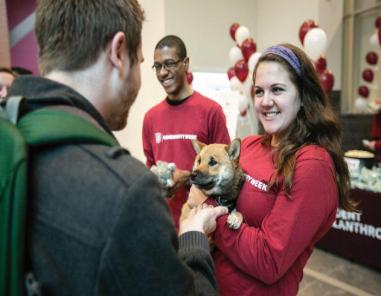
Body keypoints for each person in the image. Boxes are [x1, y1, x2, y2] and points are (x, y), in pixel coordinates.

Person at [7, 1, 228, 295]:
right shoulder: (129, 191)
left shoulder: (10, 139)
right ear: (118, 52)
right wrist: (193, 240)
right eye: (140, 62)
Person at [188, 43, 356, 295]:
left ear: (302, 95)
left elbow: (269, 260)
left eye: (277, 90)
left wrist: (208, 209)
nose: (265, 102)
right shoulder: (250, 145)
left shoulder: (312, 165)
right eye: (258, 91)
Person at [142, 35, 231, 230]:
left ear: (185, 63)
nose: (163, 73)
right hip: (162, 223)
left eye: (169, 64)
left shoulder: (210, 111)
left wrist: (188, 177)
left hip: (201, 225)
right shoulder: (150, 118)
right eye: (157, 66)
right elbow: (150, 168)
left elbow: (226, 171)